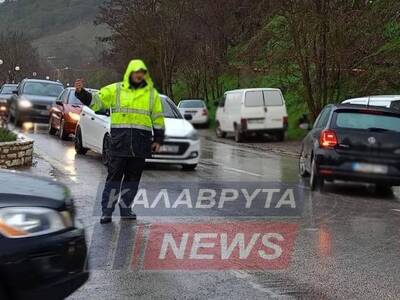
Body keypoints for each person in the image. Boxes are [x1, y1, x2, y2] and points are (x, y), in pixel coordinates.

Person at [75, 59, 165, 224]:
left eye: (141, 72)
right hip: (120, 142)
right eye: (136, 72)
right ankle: (107, 212)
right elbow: (97, 101)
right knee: (114, 178)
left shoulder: (151, 94)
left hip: (140, 143)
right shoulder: (115, 89)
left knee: (132, 179)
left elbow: (158, 118)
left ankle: (126, 209)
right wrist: (82, 94)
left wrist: (159, 139)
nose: (139, 75)